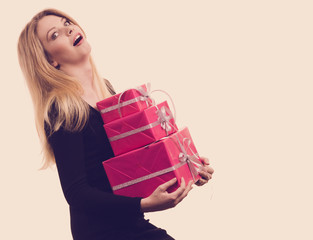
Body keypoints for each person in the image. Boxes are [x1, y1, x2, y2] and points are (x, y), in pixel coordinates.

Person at [17, 8, 214, 240]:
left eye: (67, 22)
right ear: (50, 60)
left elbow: (135, 162)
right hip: (102, 232)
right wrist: (142, 204)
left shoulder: (108, 92)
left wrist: (186, 168)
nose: (68, 29)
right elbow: (76, 193)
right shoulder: (61, 109)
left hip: (130, 223)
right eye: (55, 34)